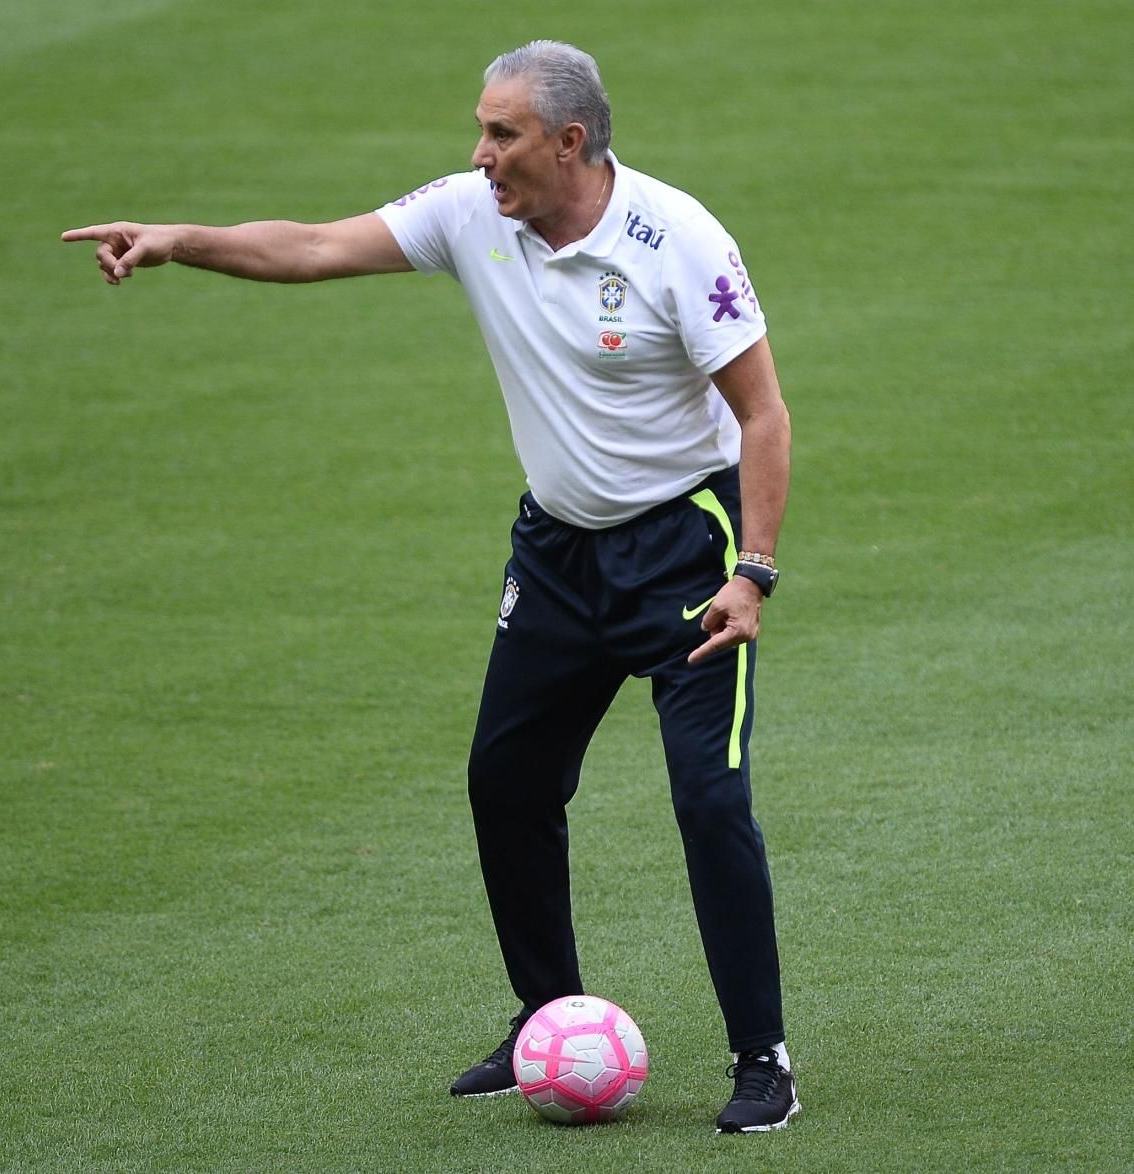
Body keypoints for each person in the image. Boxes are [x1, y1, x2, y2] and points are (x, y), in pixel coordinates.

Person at [62, 39, 798, 1133]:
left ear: (570, 141)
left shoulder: (676, 242)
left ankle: (762, 1059)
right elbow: (312, 246)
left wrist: (753, 572)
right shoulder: (471, 213)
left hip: (685, 560)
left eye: (502, 133)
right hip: (555, 554)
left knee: (707, 799)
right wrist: (178, 240)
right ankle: (546, 1013)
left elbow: (763, 416)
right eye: (481, 128)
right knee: (505, 779)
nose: (480, 152)